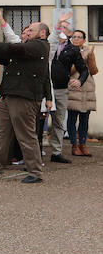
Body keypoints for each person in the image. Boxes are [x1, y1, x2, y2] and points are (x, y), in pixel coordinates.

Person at [0, 21, 52, 183]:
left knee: (26, 135)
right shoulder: (27, 48)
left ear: (42, 33)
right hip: (8, 94)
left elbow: (12, 49)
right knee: (1, 132)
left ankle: (35, 172)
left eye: (31, 30)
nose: (27, 32)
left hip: (24, 97)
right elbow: (8, 58)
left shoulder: (39, 46)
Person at [47, 26, 89, 164]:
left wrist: (79, 80)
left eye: (65, 28)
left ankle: (56, 152)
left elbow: (84, 70)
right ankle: (33, 154)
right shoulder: (47, 44)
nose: (63, 31)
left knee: (58, 121)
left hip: (61, 89)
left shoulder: (72, 49)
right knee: (37, 121)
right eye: (60, 27)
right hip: (43, 88)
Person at [66, 30, 96, 157]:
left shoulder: (87, 51)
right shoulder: (67, 51)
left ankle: (83, 144)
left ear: (84, 40)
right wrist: (81, 58)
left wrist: (90, 57)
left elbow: (94, 71)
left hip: (87, 88)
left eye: (79, 37)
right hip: (73, 86)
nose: (76, 39)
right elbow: (68, 70)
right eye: (74, 37)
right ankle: (74, 145)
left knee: (85, 119)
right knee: (72, 118)